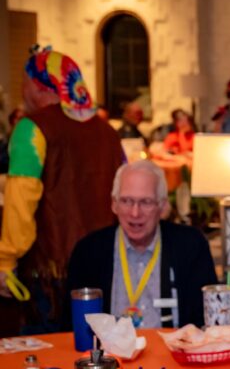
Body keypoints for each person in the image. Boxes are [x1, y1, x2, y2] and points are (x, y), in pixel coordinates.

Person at [0, 46, 123, 333]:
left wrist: (5, 260)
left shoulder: (32, 128)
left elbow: (20, 203)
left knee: (48, 361)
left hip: (49, 277)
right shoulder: (108, 132)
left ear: (36, 84)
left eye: (23, 81)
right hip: (105, 268)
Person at [66, 159, 217, 329]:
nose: (135, 213)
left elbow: (207, 322)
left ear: (163, 206)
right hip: (109, 355)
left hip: (173, 354)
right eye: (126, 201)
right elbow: (71, 327)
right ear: (114, 204)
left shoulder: (191, 246)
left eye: (146, 202)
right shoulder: (88, 252)